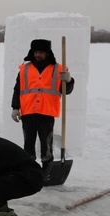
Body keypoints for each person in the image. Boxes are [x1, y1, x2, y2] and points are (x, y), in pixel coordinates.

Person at [11, 39, 74, 172]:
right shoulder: (24, 69)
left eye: (41, 52)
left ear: (47, 53)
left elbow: (66, 91)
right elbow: (17, 89)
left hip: (47, 112)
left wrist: (69, 80)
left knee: (47, 145)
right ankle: (30, 171)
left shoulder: (59, 69)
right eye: (36, 52)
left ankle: (47, 171)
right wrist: (15, 108)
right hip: (28, 112)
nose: (38, 55)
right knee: (28, 144)